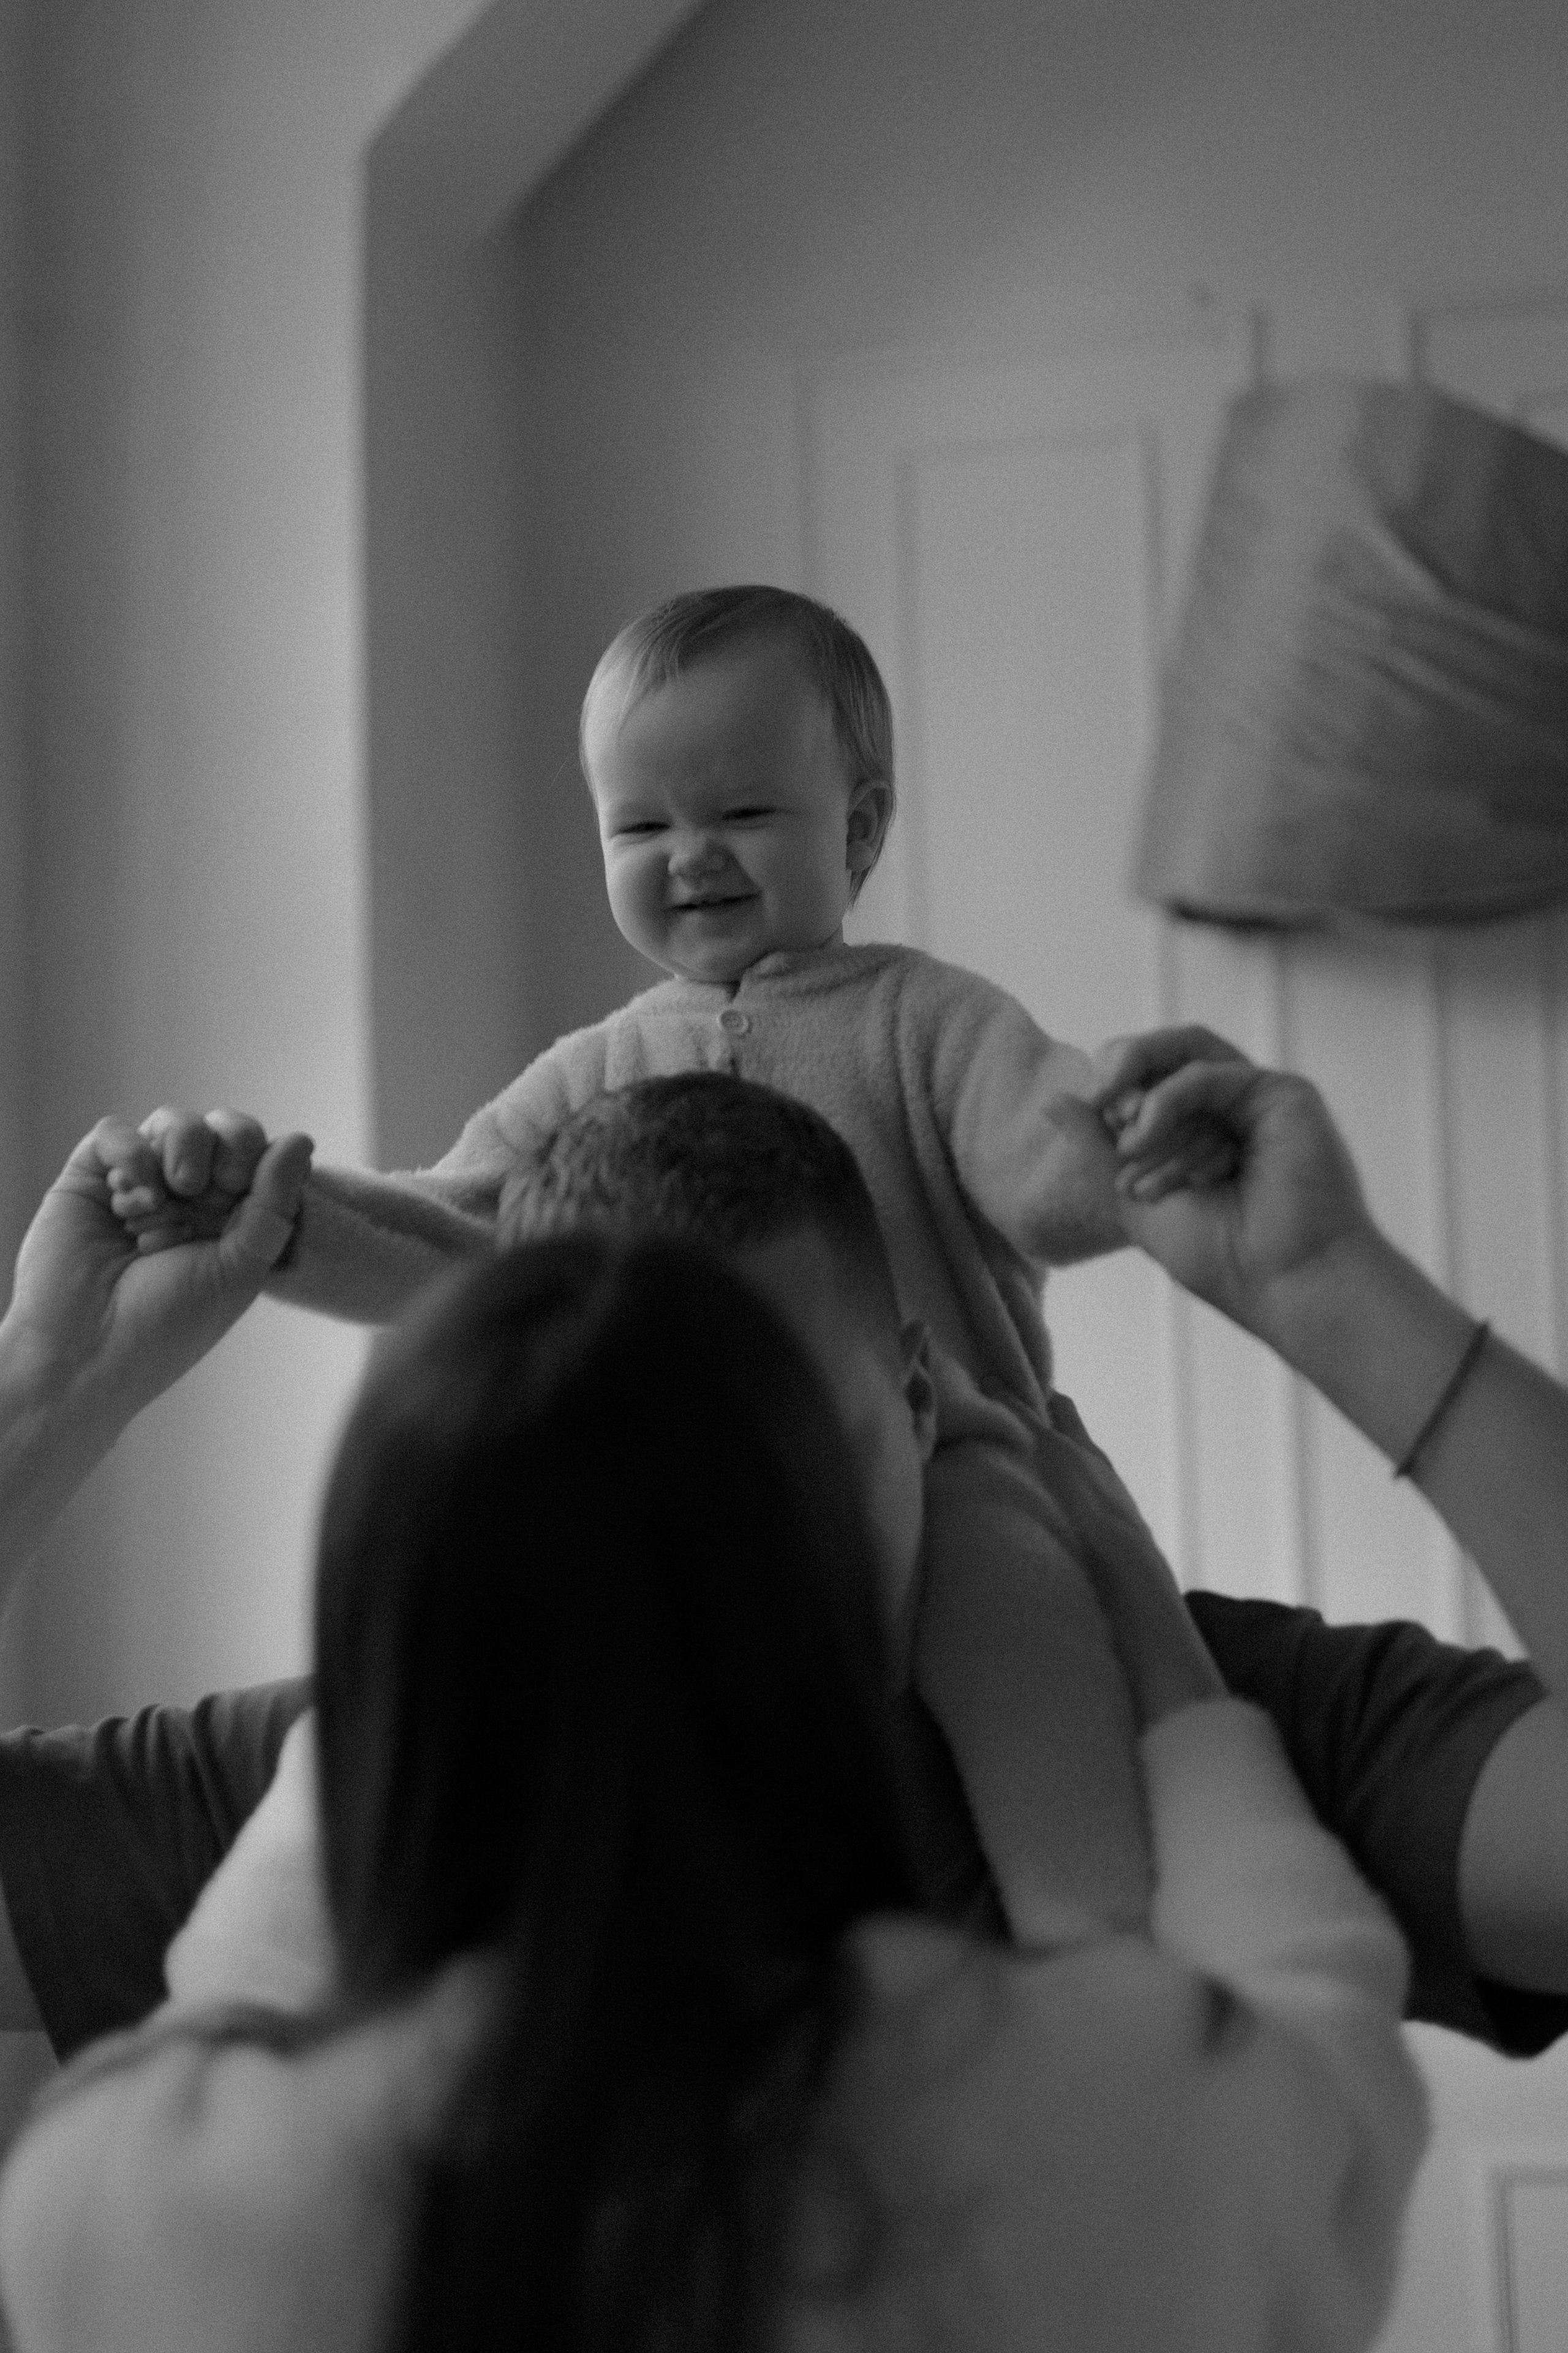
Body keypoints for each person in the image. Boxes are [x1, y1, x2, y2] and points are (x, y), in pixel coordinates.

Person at [0, 1225, 1427, 2353]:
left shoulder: (129, 2205)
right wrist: (1136, 1613)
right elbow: (1323, 2030)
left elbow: (233, 2002)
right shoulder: (1133, 2135)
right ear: (820, 1584)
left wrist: (47, 1381)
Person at [32, 1058, 1566, 2063]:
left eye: (781, 1443)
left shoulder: (1200, 1726)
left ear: (917, 1403)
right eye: (637, 1453)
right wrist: (53, 1382)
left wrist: (1330, 1289)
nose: (719, 1542)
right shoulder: (392, 1774)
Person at [105, 586, 1234, 1946]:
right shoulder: (595, 1068)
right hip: (659, 1493)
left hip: (952, 1463)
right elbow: (456, 1239)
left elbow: (1033, 1149)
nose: (690, 854)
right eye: (639, 826)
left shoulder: (922, 1021)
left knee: (1034, 1676)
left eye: (741, 812)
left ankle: (1097, 1955)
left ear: (857, 829)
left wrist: (1136, 1141)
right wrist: (267, 1215)